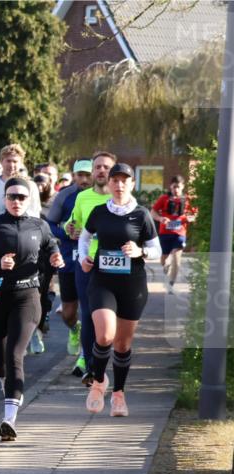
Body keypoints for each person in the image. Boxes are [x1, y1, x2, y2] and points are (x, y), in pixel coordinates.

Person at [0, 177, 64, 441]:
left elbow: (52, 248)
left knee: (15, 355)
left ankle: (9, 418)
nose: (16, 201)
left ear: (29, 199)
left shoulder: (40, 226)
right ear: (4, 199)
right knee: (0, 360)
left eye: (22, 197)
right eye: (12, 197)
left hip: (27, 296)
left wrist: (56, 258)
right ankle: (6, 384)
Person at [79, 163, 161, 417]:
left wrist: (140, 251)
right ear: (110, 183)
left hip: (132, 285)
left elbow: (157, 250)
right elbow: (84, 238)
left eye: (124, 180)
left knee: (122, 345)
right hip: (102, 281)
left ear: (131, 184)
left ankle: (119, 394)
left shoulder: (141, 215)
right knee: (104, 336)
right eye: (115, 180)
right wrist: (83, 258)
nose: (119, 184)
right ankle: (98, 380)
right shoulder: (99, 211)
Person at [66, 151, 115, 385]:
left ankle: (101, 360)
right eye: (98, 167)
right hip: (86, 264)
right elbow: (73, 222)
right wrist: (70, 228)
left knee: (108, 319)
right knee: (87, 315)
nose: (101, 171)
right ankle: (90, 365)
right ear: (93, 171)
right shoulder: (83, 197)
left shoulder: (121, 198)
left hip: (115, 266)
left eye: (106, 167)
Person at [45, 159, 91, 372]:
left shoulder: (101, 196)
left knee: (90, 309)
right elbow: (50, 224)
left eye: (87, 174)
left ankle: (85, 356)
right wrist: (66, 231)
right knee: (68, 313)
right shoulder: (65, 195)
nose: (84, 179)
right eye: (80, 175)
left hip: (91, 259)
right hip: (69, 258)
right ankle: (74, 329)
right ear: (74, 175)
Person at [152, 175, 196, 294]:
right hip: (165, 232)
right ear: (170, 187)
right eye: (174, 187)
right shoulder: (164, 198)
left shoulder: (188, 199)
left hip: (180, 232)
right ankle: (166, 267)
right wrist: (161, 219)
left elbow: (194, 214)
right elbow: (153, 212)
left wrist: (190, 218)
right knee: (164, 260)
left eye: (178, 187)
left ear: (183, 187)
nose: (176, 189)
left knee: (176, 259)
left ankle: (171, 284)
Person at [30, 172, 57, 355]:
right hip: (22, 260)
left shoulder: (55, 202)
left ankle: (38, 329)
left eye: (43, 183)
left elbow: (55, 231)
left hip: (44, 257)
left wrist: (56, 249)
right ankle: (29, 332)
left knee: (41, 296)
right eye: (36, 183)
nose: (39, 186)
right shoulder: (19, 208)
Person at [0, 144, 42, 219]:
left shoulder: (30, 185)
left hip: (20, 229)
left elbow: (35, 213)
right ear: (1, 161)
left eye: (15, 161)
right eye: (8, 161)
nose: (11, 165)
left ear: (21, 164)